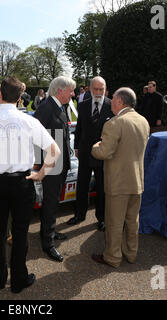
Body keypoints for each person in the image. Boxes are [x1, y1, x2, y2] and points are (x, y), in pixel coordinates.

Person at [0, 76, 61, 293]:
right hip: (22, 184)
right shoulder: (29, 120)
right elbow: (55, 150)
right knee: (20, 231)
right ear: (19, 97)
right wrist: (41, 174)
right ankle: (18, 279)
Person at [90, 87, 150, 268]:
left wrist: (95, 146)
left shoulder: (114, 123)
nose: (110, 100)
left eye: (113, 98)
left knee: (114, 222)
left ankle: (113, 257)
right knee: (133, 221)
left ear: (120, 102)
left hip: (118, 182)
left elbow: (103, 152)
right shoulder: (143, 121)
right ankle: (131, 254)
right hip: (137, 180)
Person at [33, 76, 76, 262]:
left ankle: (48, 230)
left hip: (61, 163)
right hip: (51, 164)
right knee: (50, 202)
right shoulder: (46, 107)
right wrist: (37, 163)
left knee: (53, 201)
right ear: (60, 90)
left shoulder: (59, 106)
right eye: (71, 91)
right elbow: (35, 135)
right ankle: (47, 243)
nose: (73, 94)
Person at [68, 76, 113, 231]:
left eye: (102, 89)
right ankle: (79, 214)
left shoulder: (111, 105)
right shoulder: (83, 105)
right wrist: (77, 147)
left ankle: (102, 218)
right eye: (96, 89)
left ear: (106, 89)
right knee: (82, 185)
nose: (99, 92)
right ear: (90, 89)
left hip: (103, 154)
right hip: (85, 152)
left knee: (101, 187)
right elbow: (79, 128)